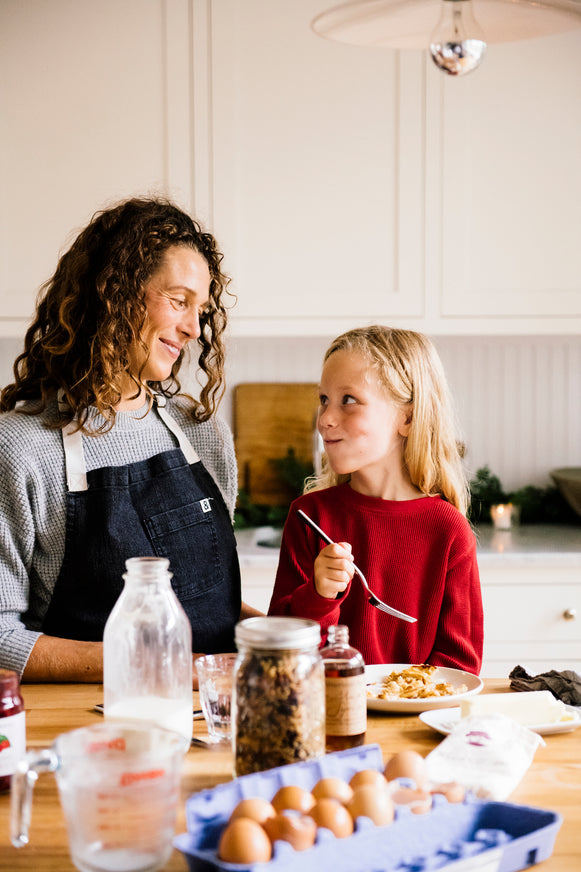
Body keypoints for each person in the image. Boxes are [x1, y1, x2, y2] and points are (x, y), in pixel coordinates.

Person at [0, 196, 260, 682]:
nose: (193, 328)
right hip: (94, 723)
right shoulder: (20, 449)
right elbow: (0, 638)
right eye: (179, 301)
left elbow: (207, 601)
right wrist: (158, 666)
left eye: (200, 309)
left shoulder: (201, 432)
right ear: (114, 293)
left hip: (218, 714)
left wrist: (273, 639)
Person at [268, 325, 483, 674]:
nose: (325, 420)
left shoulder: (447, 530)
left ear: (408, 418)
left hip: (415, 724)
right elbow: (279, 655)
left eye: (348, 401)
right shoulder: (309, 516)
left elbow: (459, 667)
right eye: (323, 400)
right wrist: (319, 595)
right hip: (326, 719)